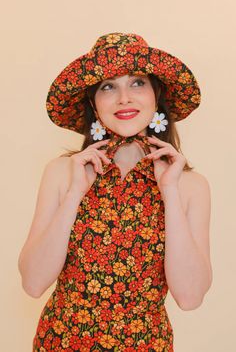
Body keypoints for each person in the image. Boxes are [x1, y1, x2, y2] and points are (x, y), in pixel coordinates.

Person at [18, 32, 212, 352]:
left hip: (146, 344)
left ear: (156, 95)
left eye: (137, 83)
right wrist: (73, 196)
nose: (124, 98)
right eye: (108, 86)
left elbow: (190, 297)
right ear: (93, 104)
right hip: (62, 342)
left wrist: (170, 193)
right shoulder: (62, 172)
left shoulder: (191, 186)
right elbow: (33, 283)